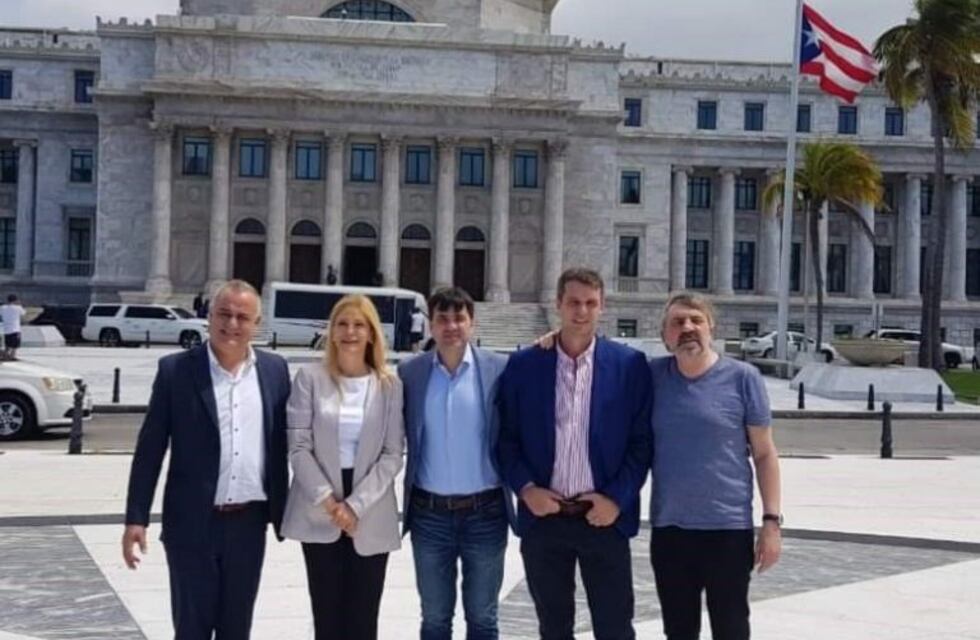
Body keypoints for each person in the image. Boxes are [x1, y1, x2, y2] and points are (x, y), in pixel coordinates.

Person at [122, 279, 291, 640]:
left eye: (242, 317)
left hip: (249, 524)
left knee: (237, 629)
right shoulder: (176, 371)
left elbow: (286, 443)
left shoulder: (275, 371)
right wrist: (136, 517)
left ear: (257, 324)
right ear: (209, 316)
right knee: (191, 628)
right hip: (191, 524)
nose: (232, 324)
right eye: (224, 314)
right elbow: (150, 449)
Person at [497, 267, 652, 640]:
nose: (581, 311)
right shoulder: (525, 365)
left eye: (590, 303)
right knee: (553, 628)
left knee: (615, 628)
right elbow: (505, 439)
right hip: (545, 518)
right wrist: (526, 490)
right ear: (558, 304)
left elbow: (641, 443)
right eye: (573, 302)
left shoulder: (629, 366)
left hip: (604, 518)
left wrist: (615, 499)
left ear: (602, 306)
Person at [649, 292, 782, 640]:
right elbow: (601, 361)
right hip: (670, 529)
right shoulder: (651, 377)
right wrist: (554, 337)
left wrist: (771, 522)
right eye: (678, 322)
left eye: (696, 320)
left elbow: (764, 454)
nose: (687, 328)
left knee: (731, 628)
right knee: (678, 631)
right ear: (665, 336)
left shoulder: (743, 378)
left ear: (712, 329)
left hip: (727, 529)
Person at [281, 294, 404, 640]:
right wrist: (330, 502)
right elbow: (298, 446)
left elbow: (393, 453)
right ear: (332, 331)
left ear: (372, 333)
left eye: (359, 325)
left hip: (370, 506)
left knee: (364, 619)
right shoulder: (309, 378)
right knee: (327, 617)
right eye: (343, 324)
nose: (350, 332)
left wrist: (354, 505)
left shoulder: (389, 385)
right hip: (320, 505)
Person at [398, 287, 513, 640]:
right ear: (430, 325)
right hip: (429, 515)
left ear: (472, 323)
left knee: (483, 618)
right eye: (442, 319)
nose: (451, 326)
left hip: (485, 513)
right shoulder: (410, 373)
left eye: (459, 318)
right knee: (434, 619)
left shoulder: (499, 368)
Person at [0, 294, 26, 360]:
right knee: (15, 345)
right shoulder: (18, 308)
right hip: (15, 329)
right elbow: (23, 313)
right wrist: (20, 305)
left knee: (7, 344)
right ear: (15, 300)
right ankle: (12, 356)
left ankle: (5, 356)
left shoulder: (3, 308)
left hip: (6, 329)